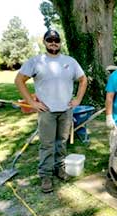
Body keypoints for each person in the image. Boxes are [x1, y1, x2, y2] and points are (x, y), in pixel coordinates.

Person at [15, 30, 87, 193]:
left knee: (61, 142)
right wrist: (31, 102)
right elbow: (19, 80)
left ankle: (59, 168)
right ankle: (45, 175)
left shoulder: (70, 61)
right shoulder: (36, 61)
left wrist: (78, 100)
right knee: (47, 145)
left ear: (60, 42)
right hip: (46, 111)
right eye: (50, 40)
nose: (53, 42)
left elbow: (83, 80)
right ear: (45, 42)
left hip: (66, 110)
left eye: (56, 40)